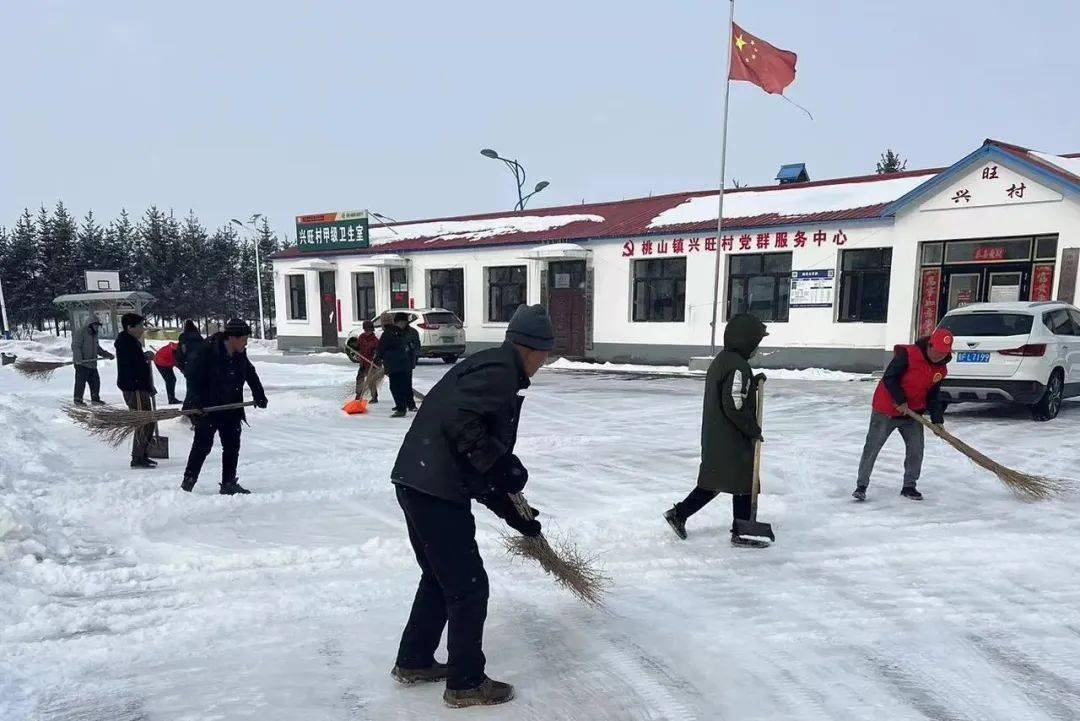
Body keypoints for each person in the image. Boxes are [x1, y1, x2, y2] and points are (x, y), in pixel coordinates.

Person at [389, 304, 553, 708]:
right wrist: (501, 463)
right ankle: (465, 683)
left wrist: (518, 516)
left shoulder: (490, 367)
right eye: (544, 354)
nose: (543, 363)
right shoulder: (499, 372)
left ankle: (414, 660)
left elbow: (476, 460)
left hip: (418, 479)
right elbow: (464, 428)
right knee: (468, 586)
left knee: (438, 577)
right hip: (434, 488)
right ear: (530, 348)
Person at [664, 313, 768, 547]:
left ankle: (679, 514)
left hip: (717, 435)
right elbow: (735, 405)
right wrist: (752, 429)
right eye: (756, 342)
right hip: (732, 438)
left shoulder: (724, 360)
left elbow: (734, 392)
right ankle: (741, 532)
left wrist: (752, 382)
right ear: (747, 341)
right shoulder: (738, 366)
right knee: (742, 482)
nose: (757, 348)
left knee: (715, 481)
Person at [852, 328, 953, 502]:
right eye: (936, 351)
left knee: (916, 450)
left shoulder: (940, 369)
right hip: (886, 409)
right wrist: (900, 400)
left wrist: (938, 421)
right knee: (872, 448)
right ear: (929, 345)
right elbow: (890, 378)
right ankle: (861, 486)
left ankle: (909, 486)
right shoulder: (907, 355)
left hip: (912, 414)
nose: (938, 356)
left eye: (943, 353)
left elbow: (933, 395)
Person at [180, 319, 268, 495]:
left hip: (231, 406)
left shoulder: (240, 352)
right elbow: (192, 376)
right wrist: (196, 401)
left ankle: (228, 482)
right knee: (202, 445)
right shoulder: (208, 350)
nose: (246, 343)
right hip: (208, 407)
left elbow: (249, 372)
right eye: (243, 339)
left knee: (232, 444)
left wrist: (259, 394)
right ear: (232, 338)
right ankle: (188, 482)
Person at [114, 313, 157, 469]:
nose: (142, 329)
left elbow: (137, 362)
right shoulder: (126, 343)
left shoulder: (131, 342)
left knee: (148, 421)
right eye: (139, 326)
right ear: (130, 327)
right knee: (143, 421)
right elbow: (135, 368)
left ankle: (142, 453)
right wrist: (146, 384)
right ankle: (137, 457)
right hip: (135, 388)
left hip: (139, 386)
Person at [376, 312, 414, 418]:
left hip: (395, 364)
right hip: (404, 363)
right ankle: (402, 406)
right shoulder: (399, 332)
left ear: (383, 323)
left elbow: (381, 348)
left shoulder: (387, 333)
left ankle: (401, 408)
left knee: (395, 387)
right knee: (402, 385)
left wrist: (377, 356)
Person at [71, 318, 114, 405]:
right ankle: (78, 399)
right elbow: (76, 346)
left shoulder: (94, 334)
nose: (97, 327)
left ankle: (95, 399)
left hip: (92, 363)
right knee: (80, 382)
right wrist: (78, 358)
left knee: (95, 382)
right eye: (96, 325)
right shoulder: (81, 332)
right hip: (82, 363)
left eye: (98, 326)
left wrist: (106, 354)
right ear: (90, 325)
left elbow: (97, 348)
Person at [345, 320, 380, 402]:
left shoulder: (375, 341)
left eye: (369, 330)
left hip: (371, 364)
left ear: (372, 330)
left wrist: (376, 354)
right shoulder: (361, 337)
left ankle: (374, 397)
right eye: (366, 330)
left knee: (371, 381)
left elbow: (378, 352)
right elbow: (358, 347)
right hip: (363, 363)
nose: (367, 331)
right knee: (359, 379)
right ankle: (358, 395)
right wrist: (353, 346)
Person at [404, 321, 422, 412]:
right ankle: (401, 404)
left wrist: (412, 349)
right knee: (397, 385)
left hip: (407, 361)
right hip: (395, 362)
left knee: (407, 383)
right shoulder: (394, 332)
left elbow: (417, 346)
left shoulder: (412, 332)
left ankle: (410, 404)